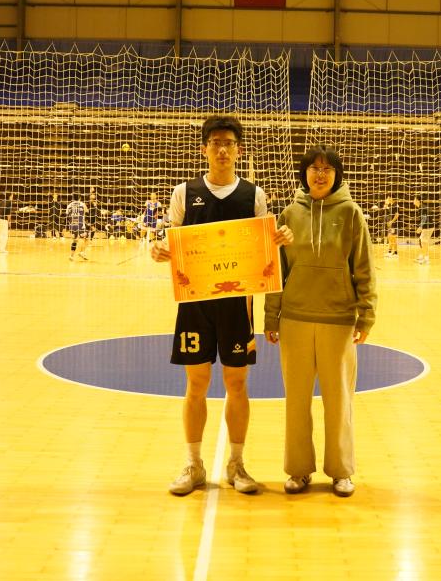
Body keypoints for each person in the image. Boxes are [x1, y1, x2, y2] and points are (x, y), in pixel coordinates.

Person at [150, 115, 293, 496]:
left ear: (239, 150)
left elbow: (264, 247)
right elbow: (171, 242)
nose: (222, 149)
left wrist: (279, 238)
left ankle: (237, 463)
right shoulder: (184, 192)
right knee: (196, 384)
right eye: (215, 143)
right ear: (204, 149)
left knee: (237, 384)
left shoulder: (254, 195)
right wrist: (159, 250)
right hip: (195, 304)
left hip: (236, 306)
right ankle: (193, 464)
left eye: (229, 143)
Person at [264, 145, 377, 497]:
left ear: (337, 174)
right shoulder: (289, 214)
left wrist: (366, 314)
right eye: (314, 168)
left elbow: (364, 268)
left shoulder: (351, 213)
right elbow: (276, 270)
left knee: (339, 401)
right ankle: (298, 470)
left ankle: (341, 471)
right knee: (296, 401)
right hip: (295, 319)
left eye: (327, 168)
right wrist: (271, 315)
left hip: (338, 320)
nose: (320, 174)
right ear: (304, 173)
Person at [66, 192, 89, 261]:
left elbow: (67, 216)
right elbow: (87, 212)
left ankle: (71, 256)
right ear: (80, 198)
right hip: (80, 224)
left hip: (72, 225)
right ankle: (82, 252)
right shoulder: (82, 204)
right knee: (86, 238)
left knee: (75, 240)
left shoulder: (69, 205)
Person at [414, 196, 435, 264]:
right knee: (421, 241)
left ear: (418, 200)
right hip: (428, 227)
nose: (413, 201)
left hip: (428, 227)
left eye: (414, 199)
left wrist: (420, 227)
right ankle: (422, 256)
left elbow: (424, 218)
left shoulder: (422, 208)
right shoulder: (421, 207)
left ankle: (426, 258)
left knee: (423, 242)